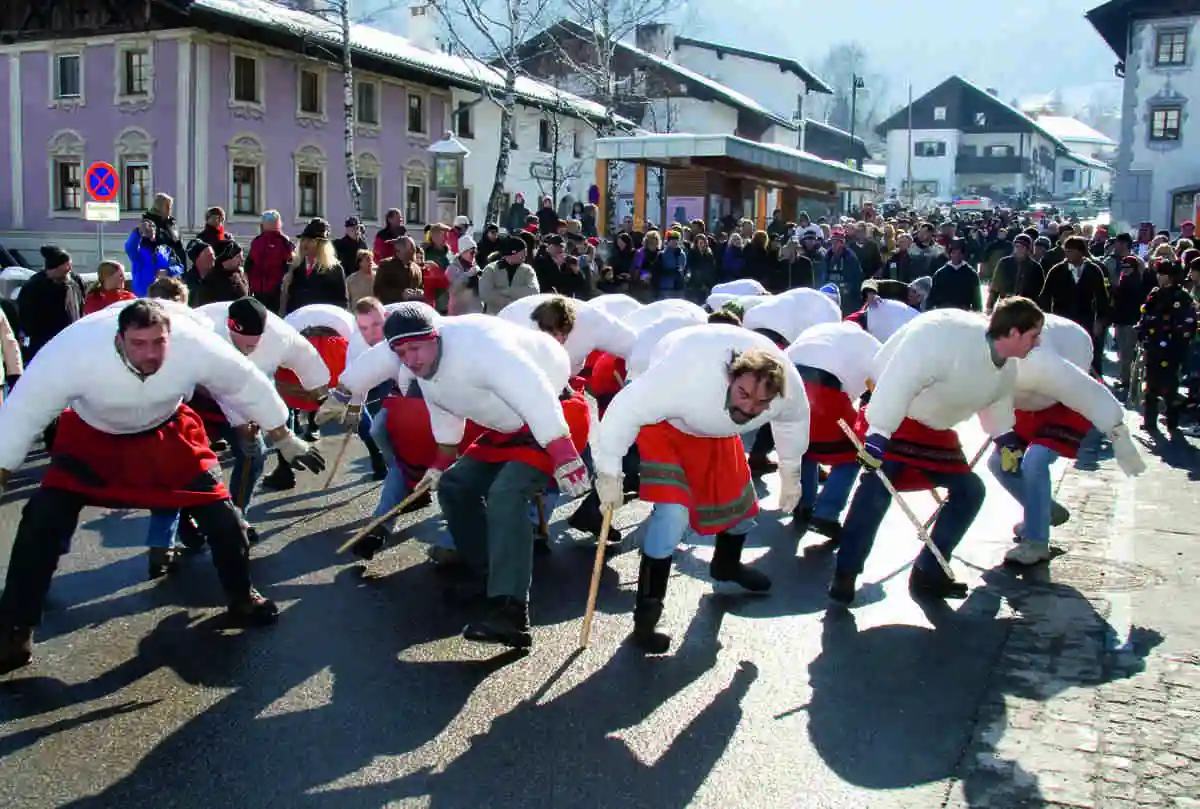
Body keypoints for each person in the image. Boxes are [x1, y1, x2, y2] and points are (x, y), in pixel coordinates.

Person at [0, 300, 327, 673]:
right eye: (139, 344)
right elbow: (23, 411)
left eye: (158, 343)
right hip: (93, 436)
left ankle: (241, 597)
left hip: (167, 434)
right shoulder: (73, 350)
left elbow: (244, 382)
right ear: (119, 339)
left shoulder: (193, 342)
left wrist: (283, 436)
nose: (150, 354)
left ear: (170, 335)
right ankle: (15, 629)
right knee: (40, 520)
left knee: (225, 520)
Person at [334, 305, 592, 648]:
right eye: (400, 352)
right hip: (503, 427)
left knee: (506, 494)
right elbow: (446, 412)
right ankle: (489, 575)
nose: (408, 359)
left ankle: (510, 612)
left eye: (414, 348)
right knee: (455, 486)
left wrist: (563, 453)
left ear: (435, 337)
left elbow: (534, 393)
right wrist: (438, 467)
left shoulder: (483, 348)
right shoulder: (424, 367)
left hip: (552, 417)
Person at [593, 325, 810, 653]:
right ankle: (646, 618)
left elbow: (794, 422)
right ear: (731, 378)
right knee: (673, 516)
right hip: (668, 425)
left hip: (718, 432)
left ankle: (726, 564)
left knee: (740, 508)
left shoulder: (787, 391)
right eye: (744, 394)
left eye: (761, 403)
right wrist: (609, 475)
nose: (750, 409)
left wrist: (791, 473)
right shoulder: (682, 378)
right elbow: (623, 411)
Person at [830, 298, 1046, 605]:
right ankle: (845, 573)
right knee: (878, 484)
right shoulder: (946, 337)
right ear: (1013, 332)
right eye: (1033, 335)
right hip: (896, 416)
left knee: (971, 490)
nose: (1037, 343)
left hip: (935, 432)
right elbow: (899, 380)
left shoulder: (1007, 367)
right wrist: (878, 434)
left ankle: (928, 571)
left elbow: (996, 404)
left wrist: (1006, 440)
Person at [991, 313, 1145, 565]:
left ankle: (1036, 542)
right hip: (1028, 407)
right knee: (998, 462)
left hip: (1067, 404)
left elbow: (1095, 395)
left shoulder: (1041, 361)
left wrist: (1121, 439)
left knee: (1035, 462)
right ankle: (1044, 509)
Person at [787, 321, 880, 544]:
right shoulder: (871, 345)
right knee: (853, 455)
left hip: (786, 388)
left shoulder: (818, 330)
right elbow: (880, 390)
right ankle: (826, 514)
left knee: (805, 446)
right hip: (824, 392)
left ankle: (804, 504)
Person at [1137, 260, 1197, 435]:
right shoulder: (1155, 293)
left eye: (1163, 274)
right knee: (1150, 385)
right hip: (1153, 345)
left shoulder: (1182, 297)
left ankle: (1172, 422)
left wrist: (1178, 342)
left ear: (1171, 277)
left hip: (1172, 349)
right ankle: (1149, 421)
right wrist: (1142, 331)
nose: (1159, 277)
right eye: (1159, 273)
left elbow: (1188, 324)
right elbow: (1146, 315)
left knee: (1170, 387)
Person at [1040, 236, 1111, 376]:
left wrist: (1100, 320)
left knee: (1089, 353)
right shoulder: (1057, 271)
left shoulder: (1094, 270)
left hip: (1086, 319)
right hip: (1062, 319)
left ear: (1081, 252)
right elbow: (1045, 296)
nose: (1067, 254)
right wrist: (1046, 320)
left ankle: (1093, 383)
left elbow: (1102, 297)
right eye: (1066, 251)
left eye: (1071, 251)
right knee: (1064, 353)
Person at [19, 246, 84, 360]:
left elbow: (82, 305)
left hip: (72, 342)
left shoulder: (75, 281)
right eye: (66, 267)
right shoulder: (34, 287)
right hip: (45, 345)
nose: (69, 269)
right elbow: (26, 320)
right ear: (53, 268)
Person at [281, 218, 349, 313]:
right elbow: (289, 298)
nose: (305, 243)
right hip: (298, 320)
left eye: (310, 240)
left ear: (320, 244)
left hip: (322, 321)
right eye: (303, 239)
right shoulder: (295, 267)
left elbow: (341, 302)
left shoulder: (334, 270)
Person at [245, 210, 294, 314]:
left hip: (274, 291)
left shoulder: (283, 242)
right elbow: (249, 264)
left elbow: (289, 266)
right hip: (259, 290)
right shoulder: (258, 241)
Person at [124, 215, 184, 296]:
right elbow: (129, 247)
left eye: (152, 226)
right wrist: (138, 232)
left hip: (164, 294)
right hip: (144, 294)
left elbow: (179, 267)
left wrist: (168, 271)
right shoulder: (138, 251)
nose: (150, 228)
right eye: (147, 226)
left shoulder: (165, 249)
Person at [478, 235, 539, 313]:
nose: (526, 255)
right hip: (495, 318)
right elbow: (485, 294)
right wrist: (508, 303)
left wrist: (505, 290)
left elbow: (534, 291)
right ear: (514, 252)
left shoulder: (528, 270)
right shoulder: (491, 269)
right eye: (524, 252)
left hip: (518, 318)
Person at [987, 234, 1044, 313]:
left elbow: (1039, 292)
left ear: (1028, 249)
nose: (1019, 249)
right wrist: (990, 306)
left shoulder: (1035, 267)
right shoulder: (1004, 263)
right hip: (1005, 305)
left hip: (1025, 309)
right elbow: (995, 287)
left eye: (1022, 247)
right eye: (1017, 246)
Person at [927, 238, 982, 311]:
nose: (956, 256)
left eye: (959, 253)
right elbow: (932, 295)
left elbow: (976, 298)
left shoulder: (971, 274)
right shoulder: (940, 273)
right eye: (954, 253)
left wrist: (977, 311)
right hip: (943, 310)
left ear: (963, 255)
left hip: (962, 311)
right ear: (950, 254)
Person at [817, 229, 863, 316]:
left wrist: (849, 289)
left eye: (836, 243)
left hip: (847, 298)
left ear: (842, 243)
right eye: (832, 243)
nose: (833, 245)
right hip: (830, 295)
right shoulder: (827, 258)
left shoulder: (850, 258)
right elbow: (822, 277)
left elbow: (856, 278)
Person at [446, 236, 483, 314]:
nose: (474, 255)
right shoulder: (452, 268)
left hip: (475, 311)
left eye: (476, 252)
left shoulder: (475, 266)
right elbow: (453, 289)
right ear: (463, 252)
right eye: (472, 252)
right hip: (459, 312)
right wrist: (468, 275)